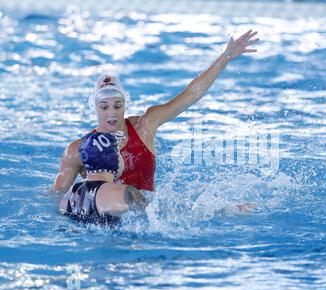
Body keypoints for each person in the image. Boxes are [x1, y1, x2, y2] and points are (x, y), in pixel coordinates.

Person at [51, 30, 259, 193]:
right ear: (94, 108)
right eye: (104, 107)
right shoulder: (78, 150)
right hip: (107, 219)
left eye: (117, 105)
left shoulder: (145, 126)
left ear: (126, 104)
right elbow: (56, 196)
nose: (111, 113)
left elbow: (191, 94)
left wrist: (226, 56)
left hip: (148, 217)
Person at [59, 132, 148, 225]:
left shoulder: (67, 197)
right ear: (114, 159)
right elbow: (152, 217)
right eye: (119, 153)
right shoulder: (125, 193)